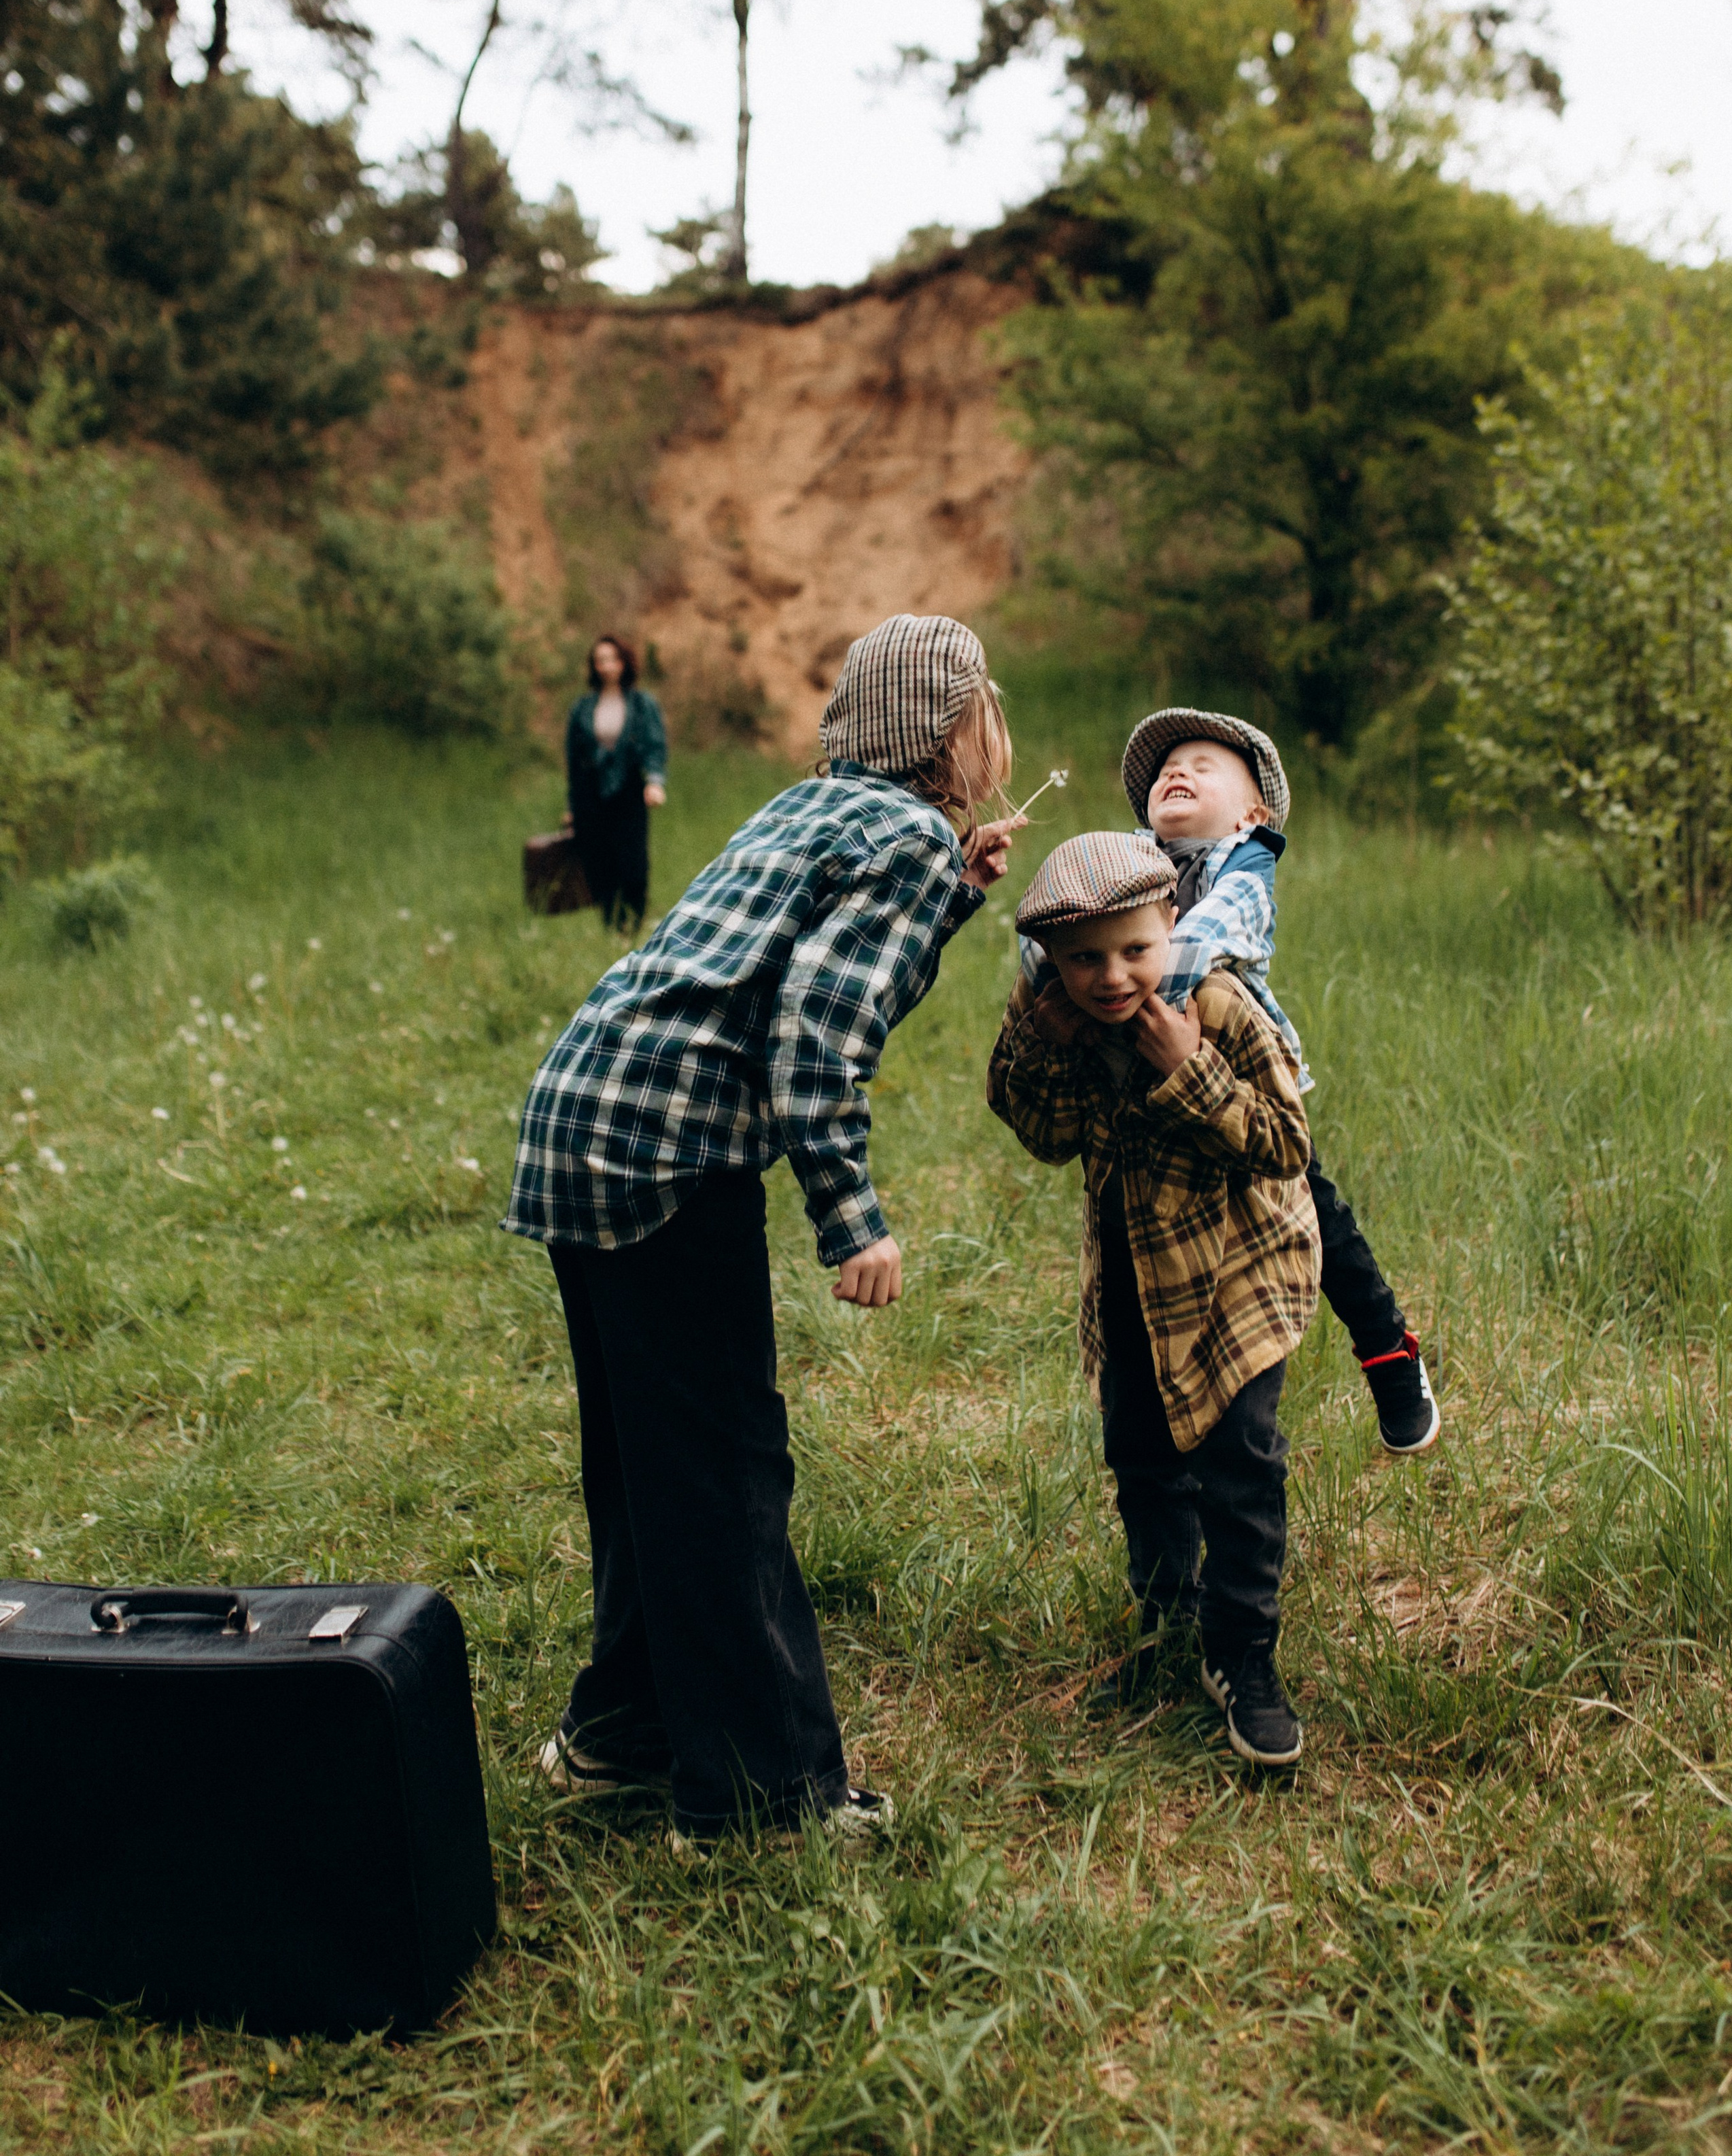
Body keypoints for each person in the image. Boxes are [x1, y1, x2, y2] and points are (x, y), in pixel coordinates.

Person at [503, 613, 1023, 1847]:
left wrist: (944, 896)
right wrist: (853, 1219)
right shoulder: (902, 836)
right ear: (953, 730)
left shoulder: (807, 807)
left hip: (584, 1111)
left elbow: (784, 965)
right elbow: (814, 1039)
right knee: (727, 1467)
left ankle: (622, 1731)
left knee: (647, 1459)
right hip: (668, 1143)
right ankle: (761, 1800)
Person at [988, 831, 1321, 1766]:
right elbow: (1044, 1133)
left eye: (1134, 950)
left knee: (1241, 1459)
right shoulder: (1060, 1017)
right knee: (1140, 1447)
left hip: (1241, 1271)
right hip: (1138, 1267)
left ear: (1170, 922)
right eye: (1083, 960)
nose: (1110, 978)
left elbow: (1285, 1144)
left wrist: (1189, 1067)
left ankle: (1243, 1658)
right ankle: (1168, 1622)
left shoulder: (1216, 1003)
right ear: (1051, 961)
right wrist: (1037, 1041)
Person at [1115, 711, 1439, 1456]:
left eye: (1203, 765)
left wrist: (1125, 979)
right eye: (1167, 768)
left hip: (1247, 1082)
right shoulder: (1130, 857)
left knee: (1309, 1210)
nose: (1178, 772)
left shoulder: (1248, 859)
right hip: (1151, 1084)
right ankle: (1181, 1419)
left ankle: (1389, 1352)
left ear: (1252, 810)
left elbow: (1203, 938)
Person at [563, 634, 668, 931]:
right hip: (590, 795)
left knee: (633, 862)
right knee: (599, 862)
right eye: (601, 661)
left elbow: (654, 746)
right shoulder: (582, 707)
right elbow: (574, 760)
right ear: (594, 666)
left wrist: (655, 781)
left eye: (613, 659)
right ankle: (612, 925)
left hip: (630, 790)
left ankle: (635, 923)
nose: (607, 666)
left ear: (624, 662)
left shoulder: (641, 703)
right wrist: (572, 806)